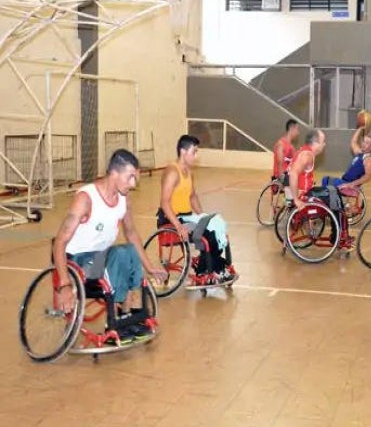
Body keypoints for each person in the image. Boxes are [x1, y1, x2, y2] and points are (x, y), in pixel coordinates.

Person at [53, 149, 167, 344]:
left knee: (127, 251)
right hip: (78, 263)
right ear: (114, 173)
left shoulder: (123, 200)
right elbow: (60, 242)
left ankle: (128, 316)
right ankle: (114, 322)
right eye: (130, 177)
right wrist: (64, 285)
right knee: (118, 255)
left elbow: (131, 233)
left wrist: (149, 267)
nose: (134, 183)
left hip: (102, 259)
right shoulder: (86, 199)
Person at [158, 135, 238, 284]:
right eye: (194, 151)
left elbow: (193, 196)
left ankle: (216, 267)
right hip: (172, 219)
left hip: (187, 217)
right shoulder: (172, 172)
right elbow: (164, 202)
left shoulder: (189, 172)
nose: (196, 155)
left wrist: (202, 216)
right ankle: (207, 271)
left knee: (217, 228)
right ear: (183, 152)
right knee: (208, 235)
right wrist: (178, 226)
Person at [287, 129, 327, 209]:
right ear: (316, 143)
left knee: (328, 190)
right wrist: (296, 200)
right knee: (330, 196)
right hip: (303, 196)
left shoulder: (306, 151)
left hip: (304, 191)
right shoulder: (307, 156)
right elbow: (293, 174)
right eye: (323, 141)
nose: (324, 144)